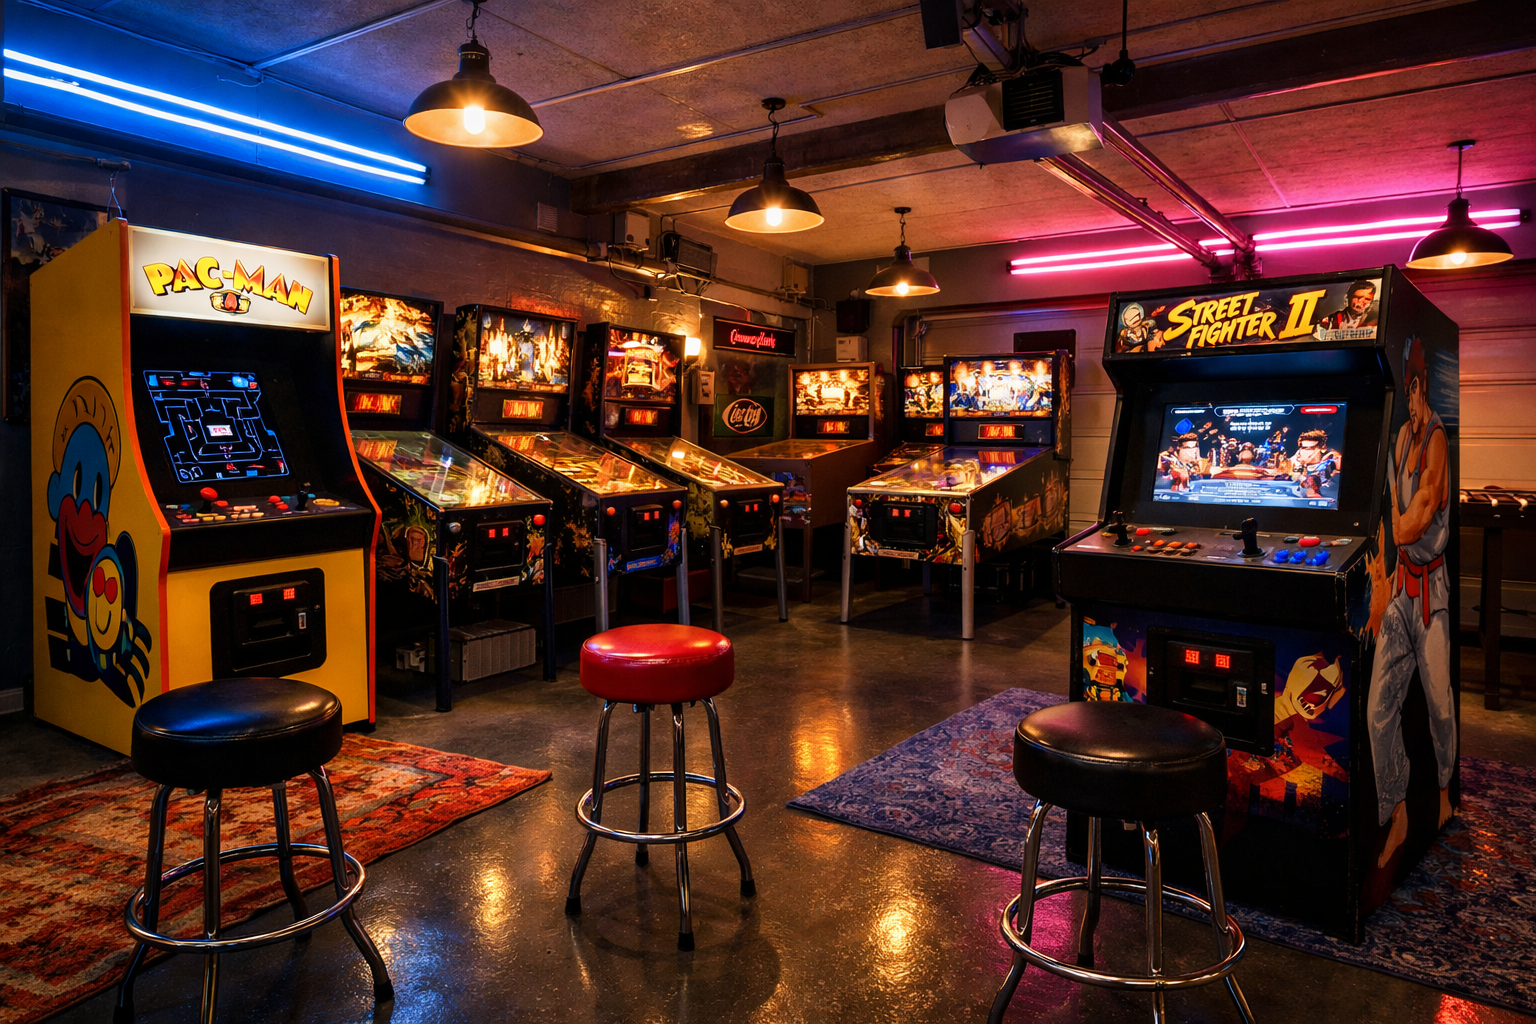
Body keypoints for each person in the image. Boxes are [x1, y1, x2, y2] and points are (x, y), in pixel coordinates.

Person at [1366, 336, 1456, 869]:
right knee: (1378, 709)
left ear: (1420, 386)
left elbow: (1414, 519)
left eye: (1411, 390)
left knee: (1440, 704)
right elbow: (1385, 516)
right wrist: (1380, 581)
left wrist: (1386, 529)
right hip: (1402, 587)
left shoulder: (1437, 440)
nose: (1408, 401)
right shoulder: (1401, 436)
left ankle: (1444, 794)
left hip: (1433, 591)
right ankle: (1396, 809)